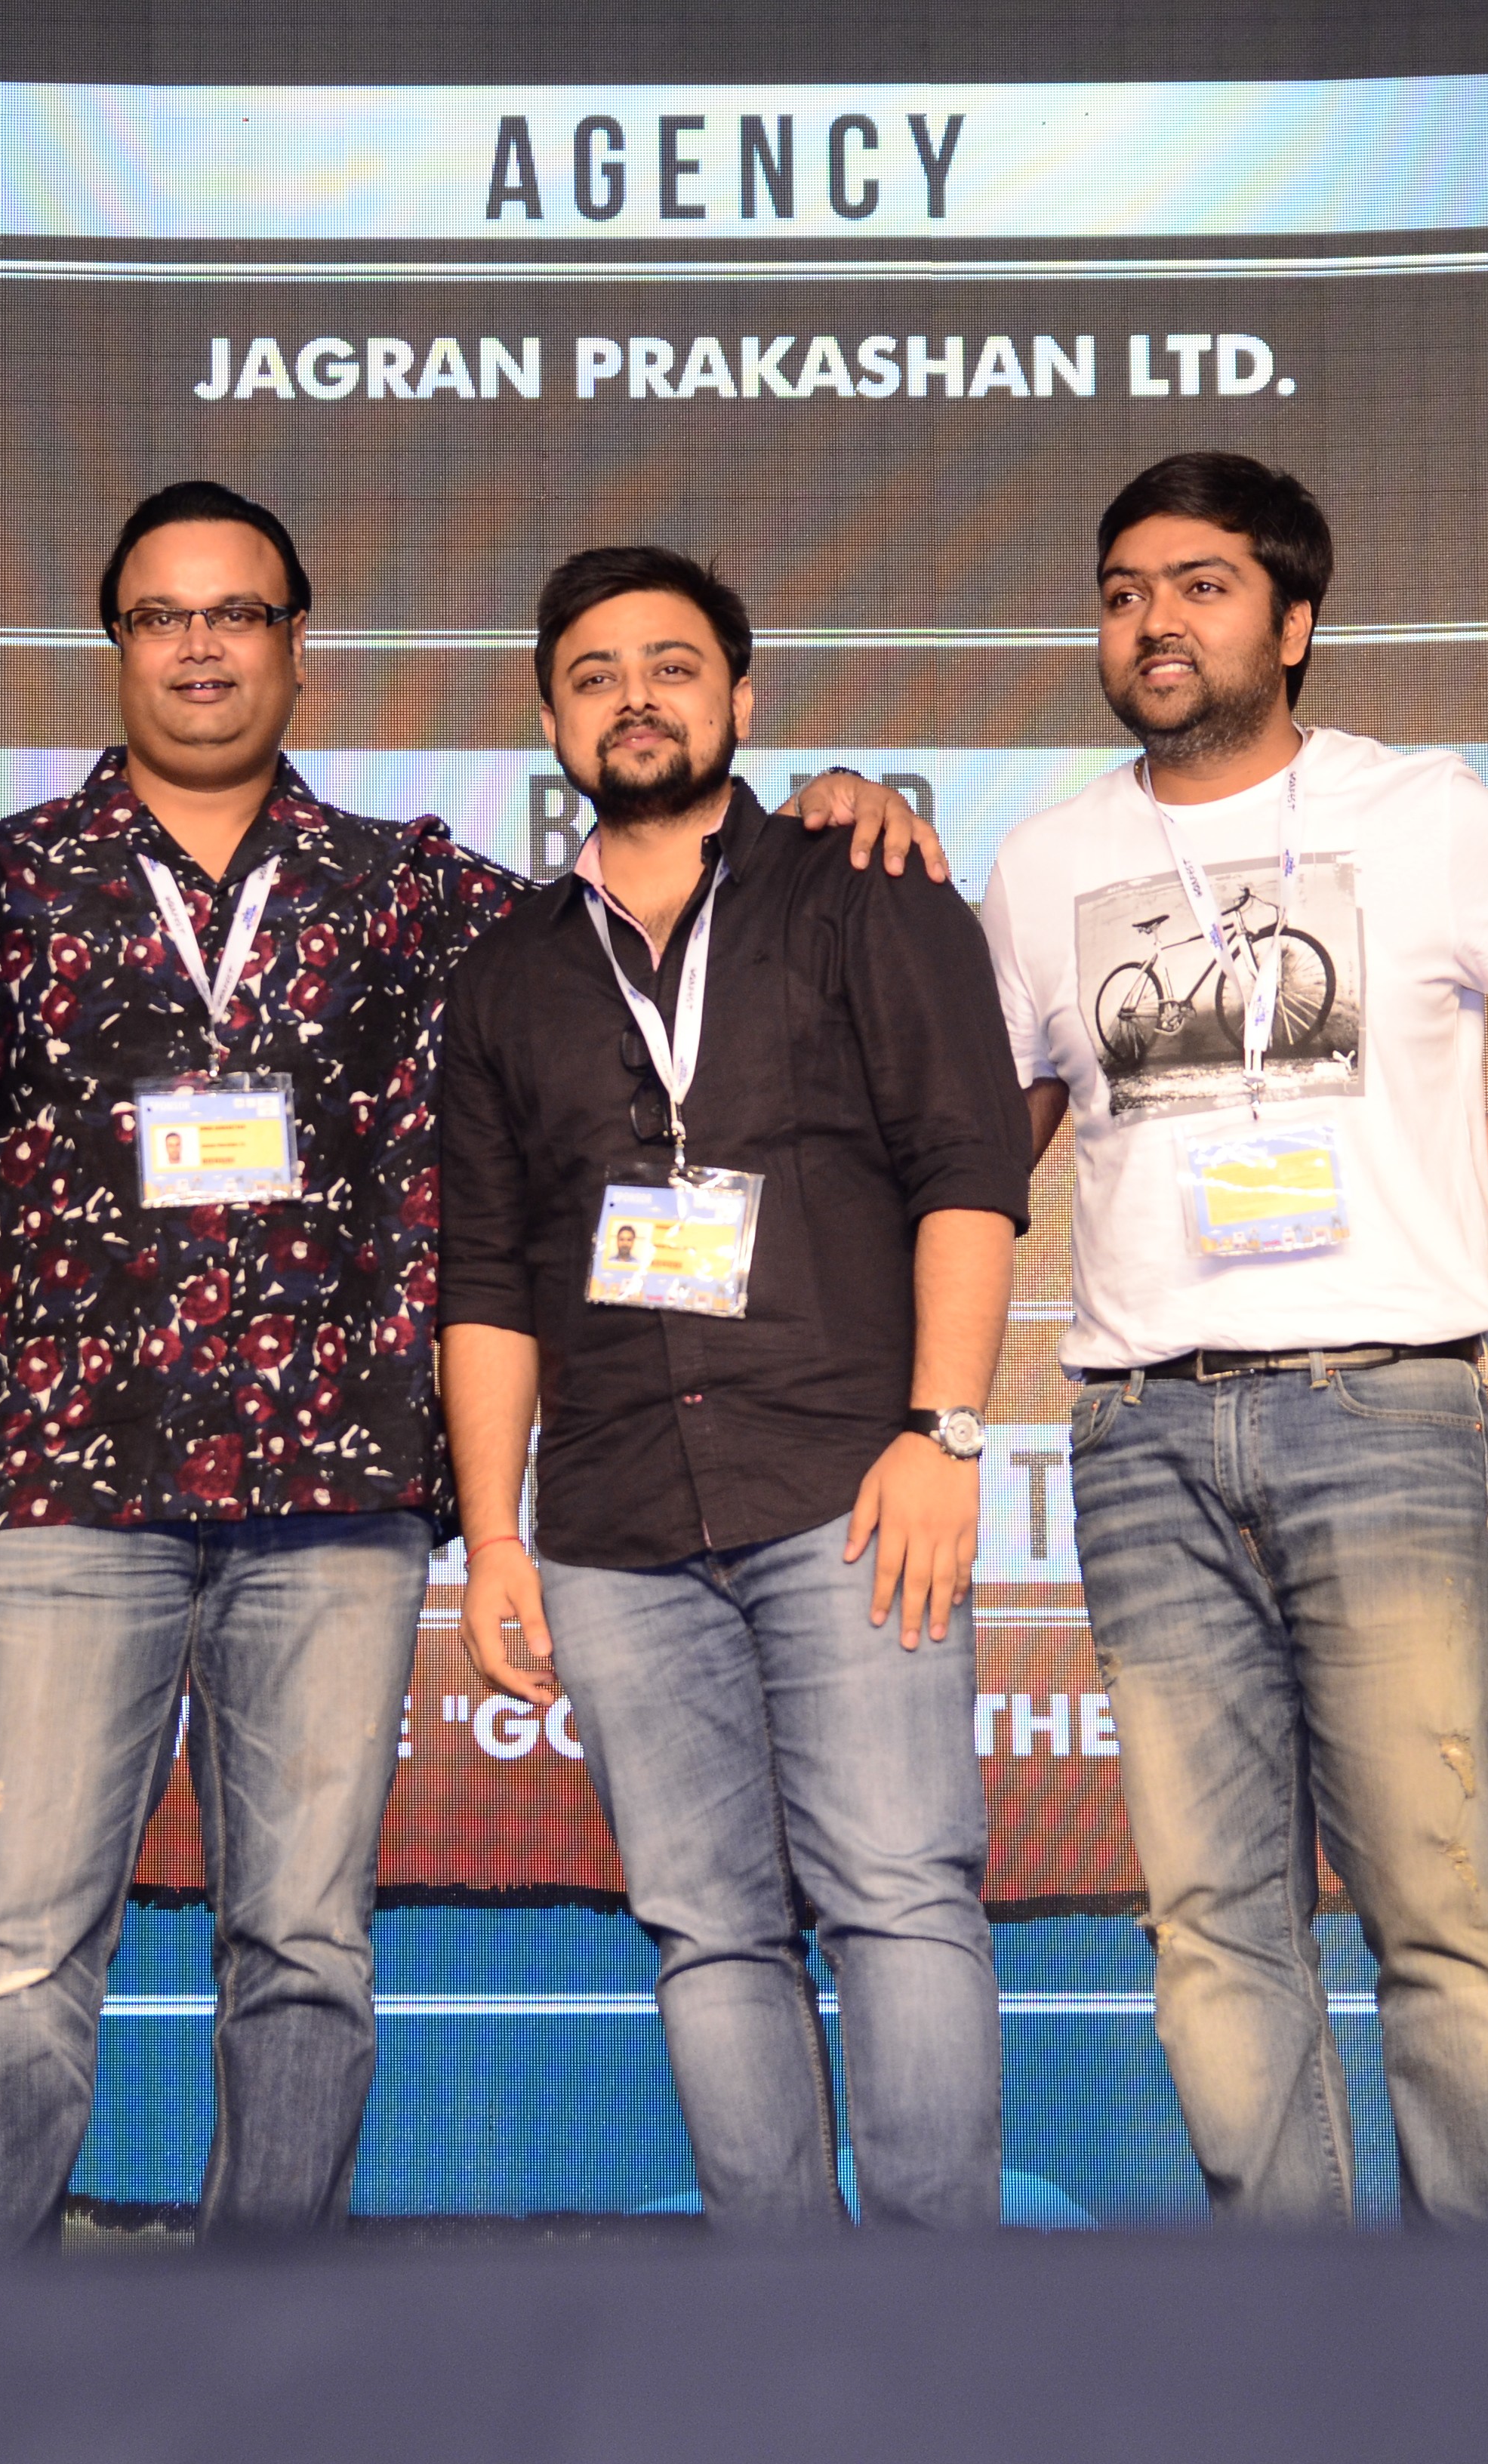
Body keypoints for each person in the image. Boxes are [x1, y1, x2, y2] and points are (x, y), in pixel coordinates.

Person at [0, 482, 941, 2251]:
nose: (201, 647)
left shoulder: (414, 889)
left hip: (337, 1499)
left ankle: (268, 2348)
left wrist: (833, 808)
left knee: (304, 1954)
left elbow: (646, 895)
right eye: (164, 616)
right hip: (68, 1492)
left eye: (237, 614)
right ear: (118, 647)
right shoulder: (2, 883)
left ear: (296, 646)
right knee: (18, 1947)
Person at [979, 451, 1488, 2226]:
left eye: (1198, 585)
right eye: (1122, 592)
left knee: (1440, 1903)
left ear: (1293, 621)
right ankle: (1294, 2331)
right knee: (1209, 1923)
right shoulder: (1043, 864)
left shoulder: (1420, 811)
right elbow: (978, 1156)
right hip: (1138, 1438)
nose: (1152, 621)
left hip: (1380, 1417)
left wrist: (1461, 1179)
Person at [441, 546, 1030, 2231]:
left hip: (849, 1488)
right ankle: (775, 2327)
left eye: (672, 666)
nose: (635, 699)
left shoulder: (868, 887)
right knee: (704, 1931)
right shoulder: (508, 971)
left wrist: (944, 1432)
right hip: (613, 1523)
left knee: (899, 1897)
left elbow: (969, 1167)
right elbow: (486, 1278)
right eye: (594, 676)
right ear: (551, 723)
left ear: (741, 699)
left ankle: (940, 2330)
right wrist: (495, 1538)